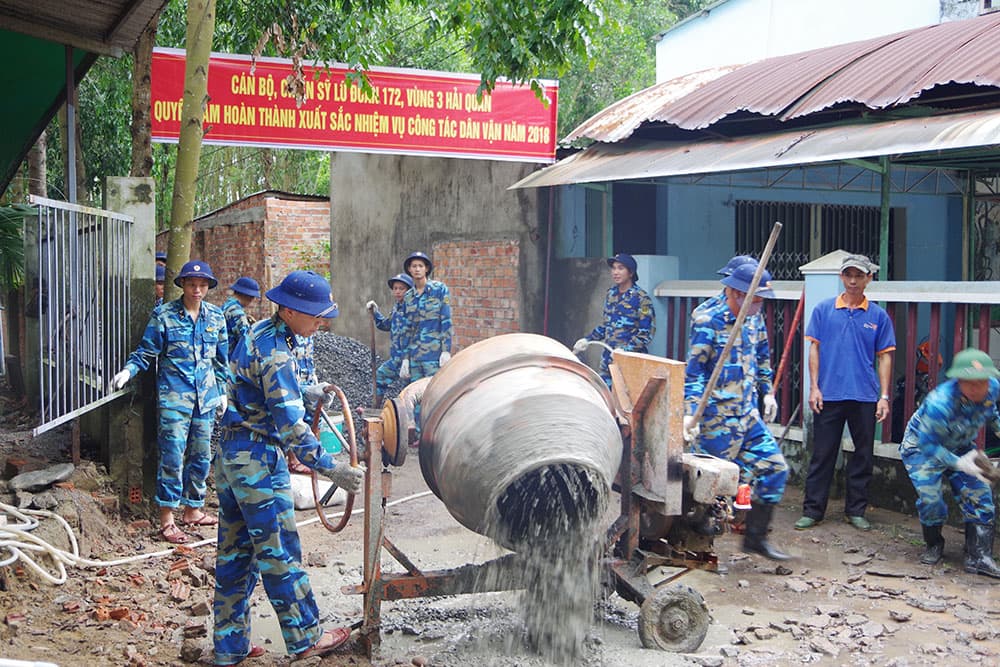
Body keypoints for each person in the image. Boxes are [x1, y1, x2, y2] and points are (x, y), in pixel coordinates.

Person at [213, 270, 365, 664]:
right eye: (315, 314)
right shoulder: (278, 352)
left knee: (235, 556)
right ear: (289, 309)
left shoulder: (265, 332)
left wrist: (303, 390)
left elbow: (261, 387)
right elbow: (291, 427)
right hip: (258, 462)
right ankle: (306, 638)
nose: (322, 321)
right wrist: (332, 469)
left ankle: (229, 647)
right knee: (279, 553)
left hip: (232, 456)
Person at [110, 260, 229, 544]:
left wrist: (222, 391)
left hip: (206, 399)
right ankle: (167, 519)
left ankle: (194, 510)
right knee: (173, 457)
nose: (197, 290)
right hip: (175, 399)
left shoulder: (216, 317)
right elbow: (145, 351)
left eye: (202, 285)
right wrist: (128, 371)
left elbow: (222, 361)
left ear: (208, 287)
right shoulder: (164, 315)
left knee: (201, 457)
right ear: (183, 286)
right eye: (191, 284)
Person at [683, 262, 789, 560]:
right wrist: (690, 414)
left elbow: (763, 354)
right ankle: (689, 549)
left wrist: (767, 392)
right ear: (733, 291)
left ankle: (755, 538)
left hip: (747, 415)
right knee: (708, 489)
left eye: (761, 299)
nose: (759, 304)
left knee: (775, 469)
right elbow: (695, 373)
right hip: (716, 418)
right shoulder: (708, 319)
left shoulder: (754, 317)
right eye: (755, 298)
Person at [796, 254, 896, 532]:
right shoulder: (824, 310)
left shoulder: (878, 316)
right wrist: (814, 387)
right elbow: (813, 348)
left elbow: (885, 357)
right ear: (841, 277)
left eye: (859, 276)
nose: (853, 280)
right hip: (828, 394)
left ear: (868, 279)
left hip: (864, 395)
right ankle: (813, 510)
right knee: (822, 454)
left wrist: (884, 396)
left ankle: (856, 511)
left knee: (863, 455)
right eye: (848, 275)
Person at [899, 348, 1000, 578]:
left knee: (981, 493)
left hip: (961, 443)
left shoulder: (993, 389)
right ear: (958, 381)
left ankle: (979, 556)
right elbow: (929, 445)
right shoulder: (940, 403)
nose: (977, 388)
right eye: (970, 383)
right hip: (922, 448)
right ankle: (934, 544)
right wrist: (960, 464)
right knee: (931, 499)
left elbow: (992, 415)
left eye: (981, 382)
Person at [573, 253, 655, 388]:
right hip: (608, 360)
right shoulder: (611, 294)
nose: (615, 272)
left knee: (627, 402)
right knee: (605, 397)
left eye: (621, 268)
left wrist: (626, 350)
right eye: (614, 268)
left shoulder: (641, 298)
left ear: (631, 273)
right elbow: (607, 325)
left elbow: (646, 333)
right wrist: (587, 339)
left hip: (630, 361)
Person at [398, 251, 453, 383]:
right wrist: (405, 358)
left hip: (434, 356)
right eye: (414, 266)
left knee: (433, 394)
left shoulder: (439, 290)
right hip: (415, 357)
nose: (417, 269)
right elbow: (406, 330)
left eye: (420, 266)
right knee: (416, 397)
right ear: (409, 270)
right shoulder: (408, 297)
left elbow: (445, 321)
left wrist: (446, 350)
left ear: (426, 268)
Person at [367, 272, 414, 406]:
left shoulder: (413, 309)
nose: (398, 292)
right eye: (395, 288)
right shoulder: (396, 308)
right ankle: (375, 410)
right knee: (380, 377)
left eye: (401, 288)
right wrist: (375, 312)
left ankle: (410, 421)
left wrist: (408, 360)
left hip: (411, 361)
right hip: (396, 360)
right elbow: (386, 325)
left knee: (409, 392)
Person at [221, 276, 260, 353]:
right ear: (248, 296)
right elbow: (247, 338)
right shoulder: (236, 311)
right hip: (231, 357)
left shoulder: (227, 305)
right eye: (252, 297)